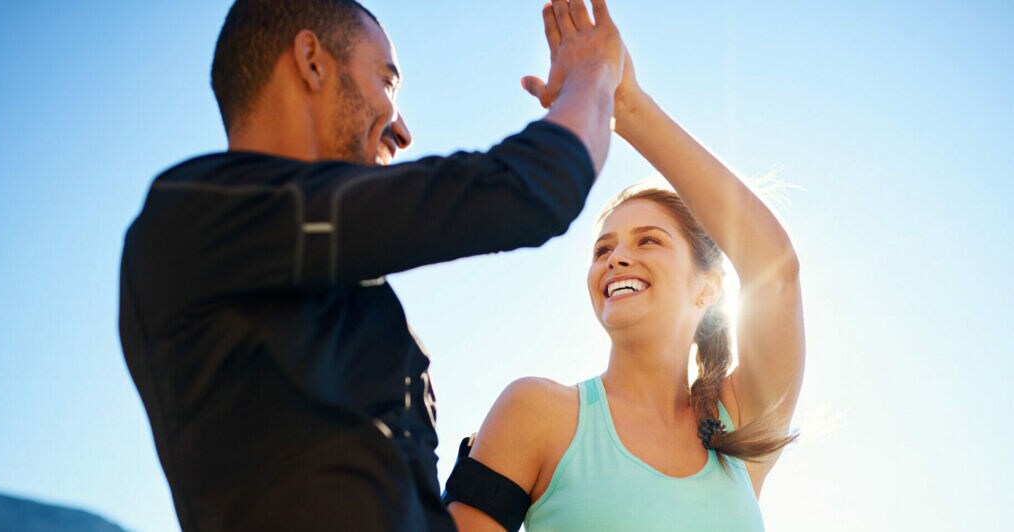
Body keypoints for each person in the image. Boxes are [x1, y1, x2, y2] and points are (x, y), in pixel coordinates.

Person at [118, 0, 626, 530]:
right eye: (387, 83)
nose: (402, 130)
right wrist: (592, 74)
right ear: (312, 60)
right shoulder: (198, 217)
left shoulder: (351, 296)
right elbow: (523, 192)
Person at [444, 3, 805, 530]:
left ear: (708, 288)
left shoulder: (738, 424)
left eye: (649, 240)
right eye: (602, 249)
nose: (617, 257)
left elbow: (777, 269)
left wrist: (629, 108)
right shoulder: (538, 414)